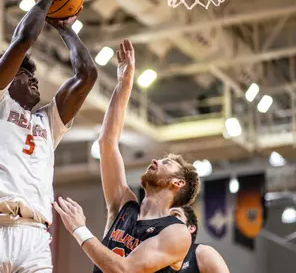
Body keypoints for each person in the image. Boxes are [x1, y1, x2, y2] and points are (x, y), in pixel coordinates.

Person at [0, 0, 98, 271]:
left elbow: (87, 76)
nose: (34, 78)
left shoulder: (47, 121)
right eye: (25, 74)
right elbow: (23, 40)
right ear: (6, 78)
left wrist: (65, 28)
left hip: (35, 235)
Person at [53, 39, 200, 273]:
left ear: (177, 183)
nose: (155, 161)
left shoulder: (176, 232)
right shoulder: (124, 204)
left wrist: (80, 230)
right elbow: (107, 143)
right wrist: (125, 83)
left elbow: (126, 270)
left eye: (166, 163)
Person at [167, 206, 230, 273]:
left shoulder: (204, 253)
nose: (167, 220)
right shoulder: (158, 259)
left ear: (191, 228)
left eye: (175, 214)